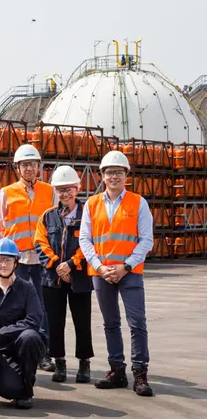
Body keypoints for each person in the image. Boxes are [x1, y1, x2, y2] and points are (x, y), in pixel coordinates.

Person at [79, 150, 155, 397]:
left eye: (119, 172)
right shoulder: (91, 204)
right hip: (101, 274)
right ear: (102, 175)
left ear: (126, 175)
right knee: (110, 323)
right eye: (110, 172)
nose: (114, 176)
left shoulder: (138, 202)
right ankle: (117, 370)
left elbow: (146, 240)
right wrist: (100, 267)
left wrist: (126, 266)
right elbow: (85, 239)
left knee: (137, 322)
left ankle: (140, 373)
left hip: (129, 272)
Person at [34, 165, 94, 384]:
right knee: (55, 322)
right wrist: (57, 265)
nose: (65, 194)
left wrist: (71, 264)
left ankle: (84, 364)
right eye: (60, 190)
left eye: (69, 189)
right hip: (52, 278)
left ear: (77, 188)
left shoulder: (88, 213)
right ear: (55, 192)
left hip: (79, 277)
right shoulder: (47, 216)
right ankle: (59, 362)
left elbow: (91, 241)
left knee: (82, 322)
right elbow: (39, 243)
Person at [0, 144, 54, 371]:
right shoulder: (7, 193)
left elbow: (54, 224)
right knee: (15, 306)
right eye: (24, 165)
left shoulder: (49, 192)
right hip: (17, 260)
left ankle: (43, 353)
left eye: (32, 164)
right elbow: (2, 227)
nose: (29, 169)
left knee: (42, 306)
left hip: (41, 259)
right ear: (17, 168)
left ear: (39, 167)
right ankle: (15, 349)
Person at [0, 238, 46, 409]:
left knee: (30, 337)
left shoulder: (28, 289)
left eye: (8, 260)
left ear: (16, 262)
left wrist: (1, 334)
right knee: (10, 390)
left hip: (23, 346)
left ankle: (27, 390)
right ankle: (9, 381)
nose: (3, 264)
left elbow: (34, 320)